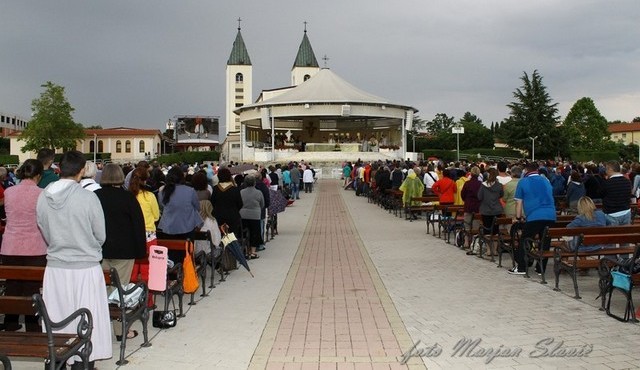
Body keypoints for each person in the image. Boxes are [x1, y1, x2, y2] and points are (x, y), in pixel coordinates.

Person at [36, 150, 111, 368]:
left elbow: (45, 230)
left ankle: (60, 356)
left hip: (57, 266)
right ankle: (83, 361)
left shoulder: (43, 196)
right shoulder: (88, 198)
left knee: (59, 314)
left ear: (59, 168)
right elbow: (101, 235)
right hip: (85, 267)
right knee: (87, 315)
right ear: (81, 171)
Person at [94, 164, 146, 341]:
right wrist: (141, 251)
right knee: (120, 290)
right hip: (124, 250)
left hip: (100, 249)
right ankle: (119, 330)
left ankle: (99, 329)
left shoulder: (95, 197)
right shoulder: (128, 198)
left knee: (103, 289)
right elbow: (138, 226)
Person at [0, 159, 46, 332]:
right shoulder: (42, 193)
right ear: (39, 175)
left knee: (12, 286)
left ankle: (11, 324)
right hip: (35, 246)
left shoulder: (10, 192)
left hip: (11, 245)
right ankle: (32, 327)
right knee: (32, 289)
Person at [509, 162, 557, 275]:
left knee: (525, 240)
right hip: (550, 214)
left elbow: (519, 202)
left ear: (526, 170)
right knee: (545, 242)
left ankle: (521, 267)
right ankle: (541, 269)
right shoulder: (546, 181)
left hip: (535, 215)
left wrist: (518, 217)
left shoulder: (523, 182)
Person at [157, 166, 203, 262]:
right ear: (182, 177)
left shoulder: (162, 192)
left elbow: (161, 207)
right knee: (186, 254)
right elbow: (198, 207)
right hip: (186, 227)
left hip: (168, 228)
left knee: (171, 254)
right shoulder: (190, 191)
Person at [476, 168, 504, 256]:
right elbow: (501, 195)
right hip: (497, 209)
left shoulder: (483, 185)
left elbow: (479, 197)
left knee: (487, 230)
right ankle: (495, 250)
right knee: (495, 230)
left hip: (486, 210)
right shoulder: (499, 185)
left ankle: (488, 250)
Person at [210, 167, 244, 240]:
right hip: (232, 216)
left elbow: (212, 202)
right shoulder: (235, 189)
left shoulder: (216, 189)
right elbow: (240, 204)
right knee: (232, 237)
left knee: (220, 236)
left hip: (218, 216)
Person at [239, 175, 265, 259]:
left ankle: (246, 250)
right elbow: (262, 204)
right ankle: (253, 252)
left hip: (243, 214)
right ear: (254, 183)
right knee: (255, 233)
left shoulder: (241, 192)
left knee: (244, 233)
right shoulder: (259, 192)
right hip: (255, 215)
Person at [602, 161, 632, 226]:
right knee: (626, 235)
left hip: (611, 214)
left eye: (606, 169)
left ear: (610, 169)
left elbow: (601, 195)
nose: (605, 171)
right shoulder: (627, 181)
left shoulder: (607, 183)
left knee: (613, 236)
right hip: (626, 212)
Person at [460, 166, 482, 250]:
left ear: (471, 173)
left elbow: (463, 194)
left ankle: (466, 242)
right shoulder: (480, 184)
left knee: (467, 224)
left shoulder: (467, 183)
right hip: (477, 206)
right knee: (476, 225)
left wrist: (466, 200)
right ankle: (474, 242)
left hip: (468, 205)